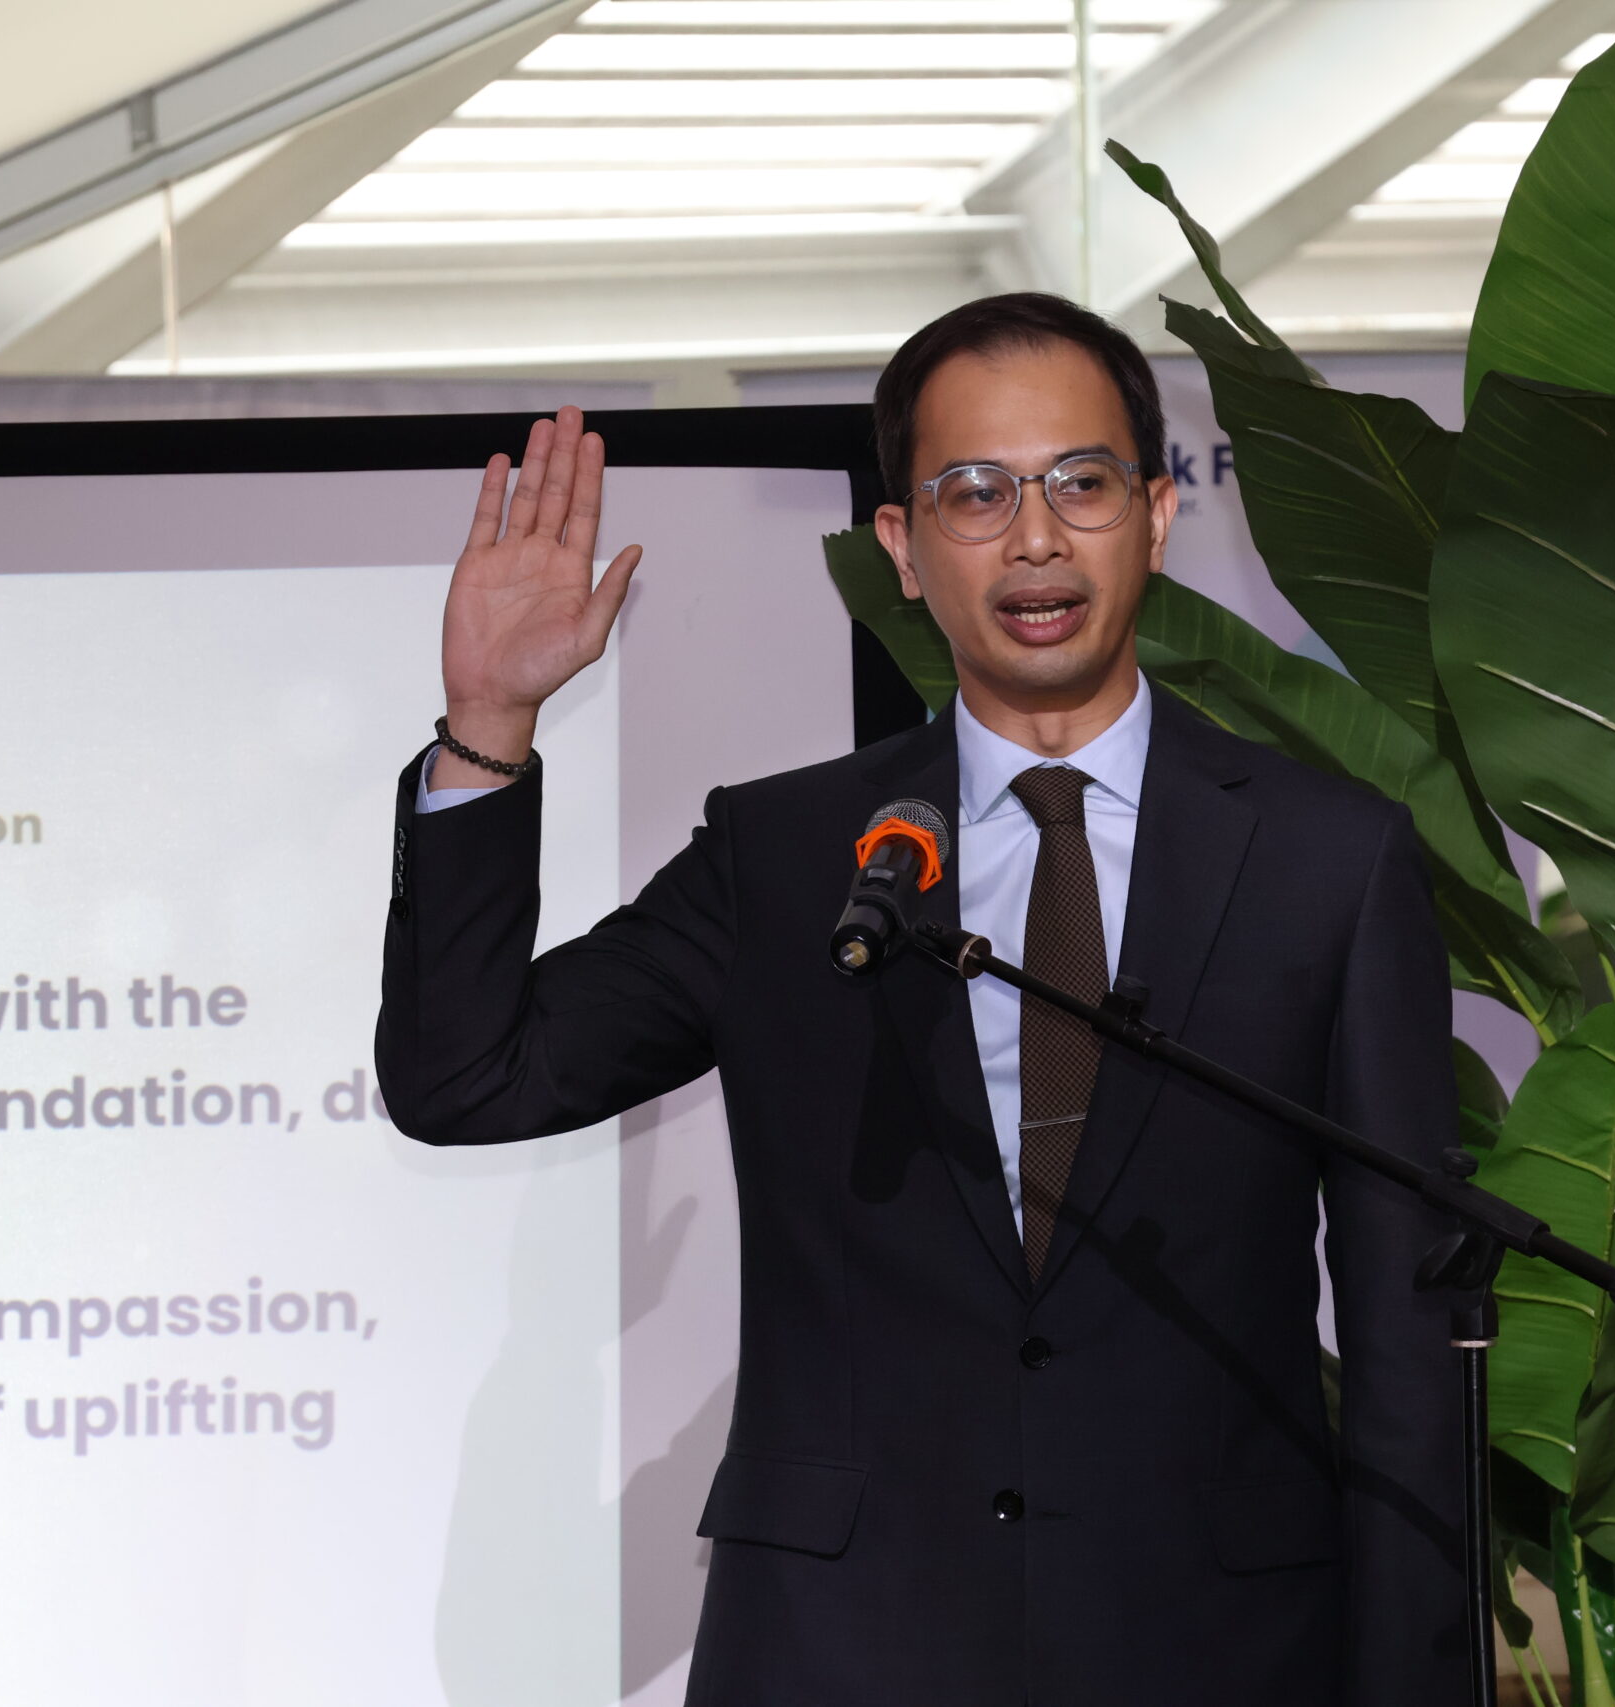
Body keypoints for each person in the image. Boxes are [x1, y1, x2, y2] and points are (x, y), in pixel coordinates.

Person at [377, 292, 1469, 1705]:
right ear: (901, 545)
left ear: (1155, 515)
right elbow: (468, 1076)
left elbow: (1407, 1336)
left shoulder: (1329, 861)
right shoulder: (786, 859)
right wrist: (487, 731)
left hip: (1216, 1646)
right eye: (976, 492)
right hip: (846, 1647)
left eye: (1080, 483)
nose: (1035, 537)